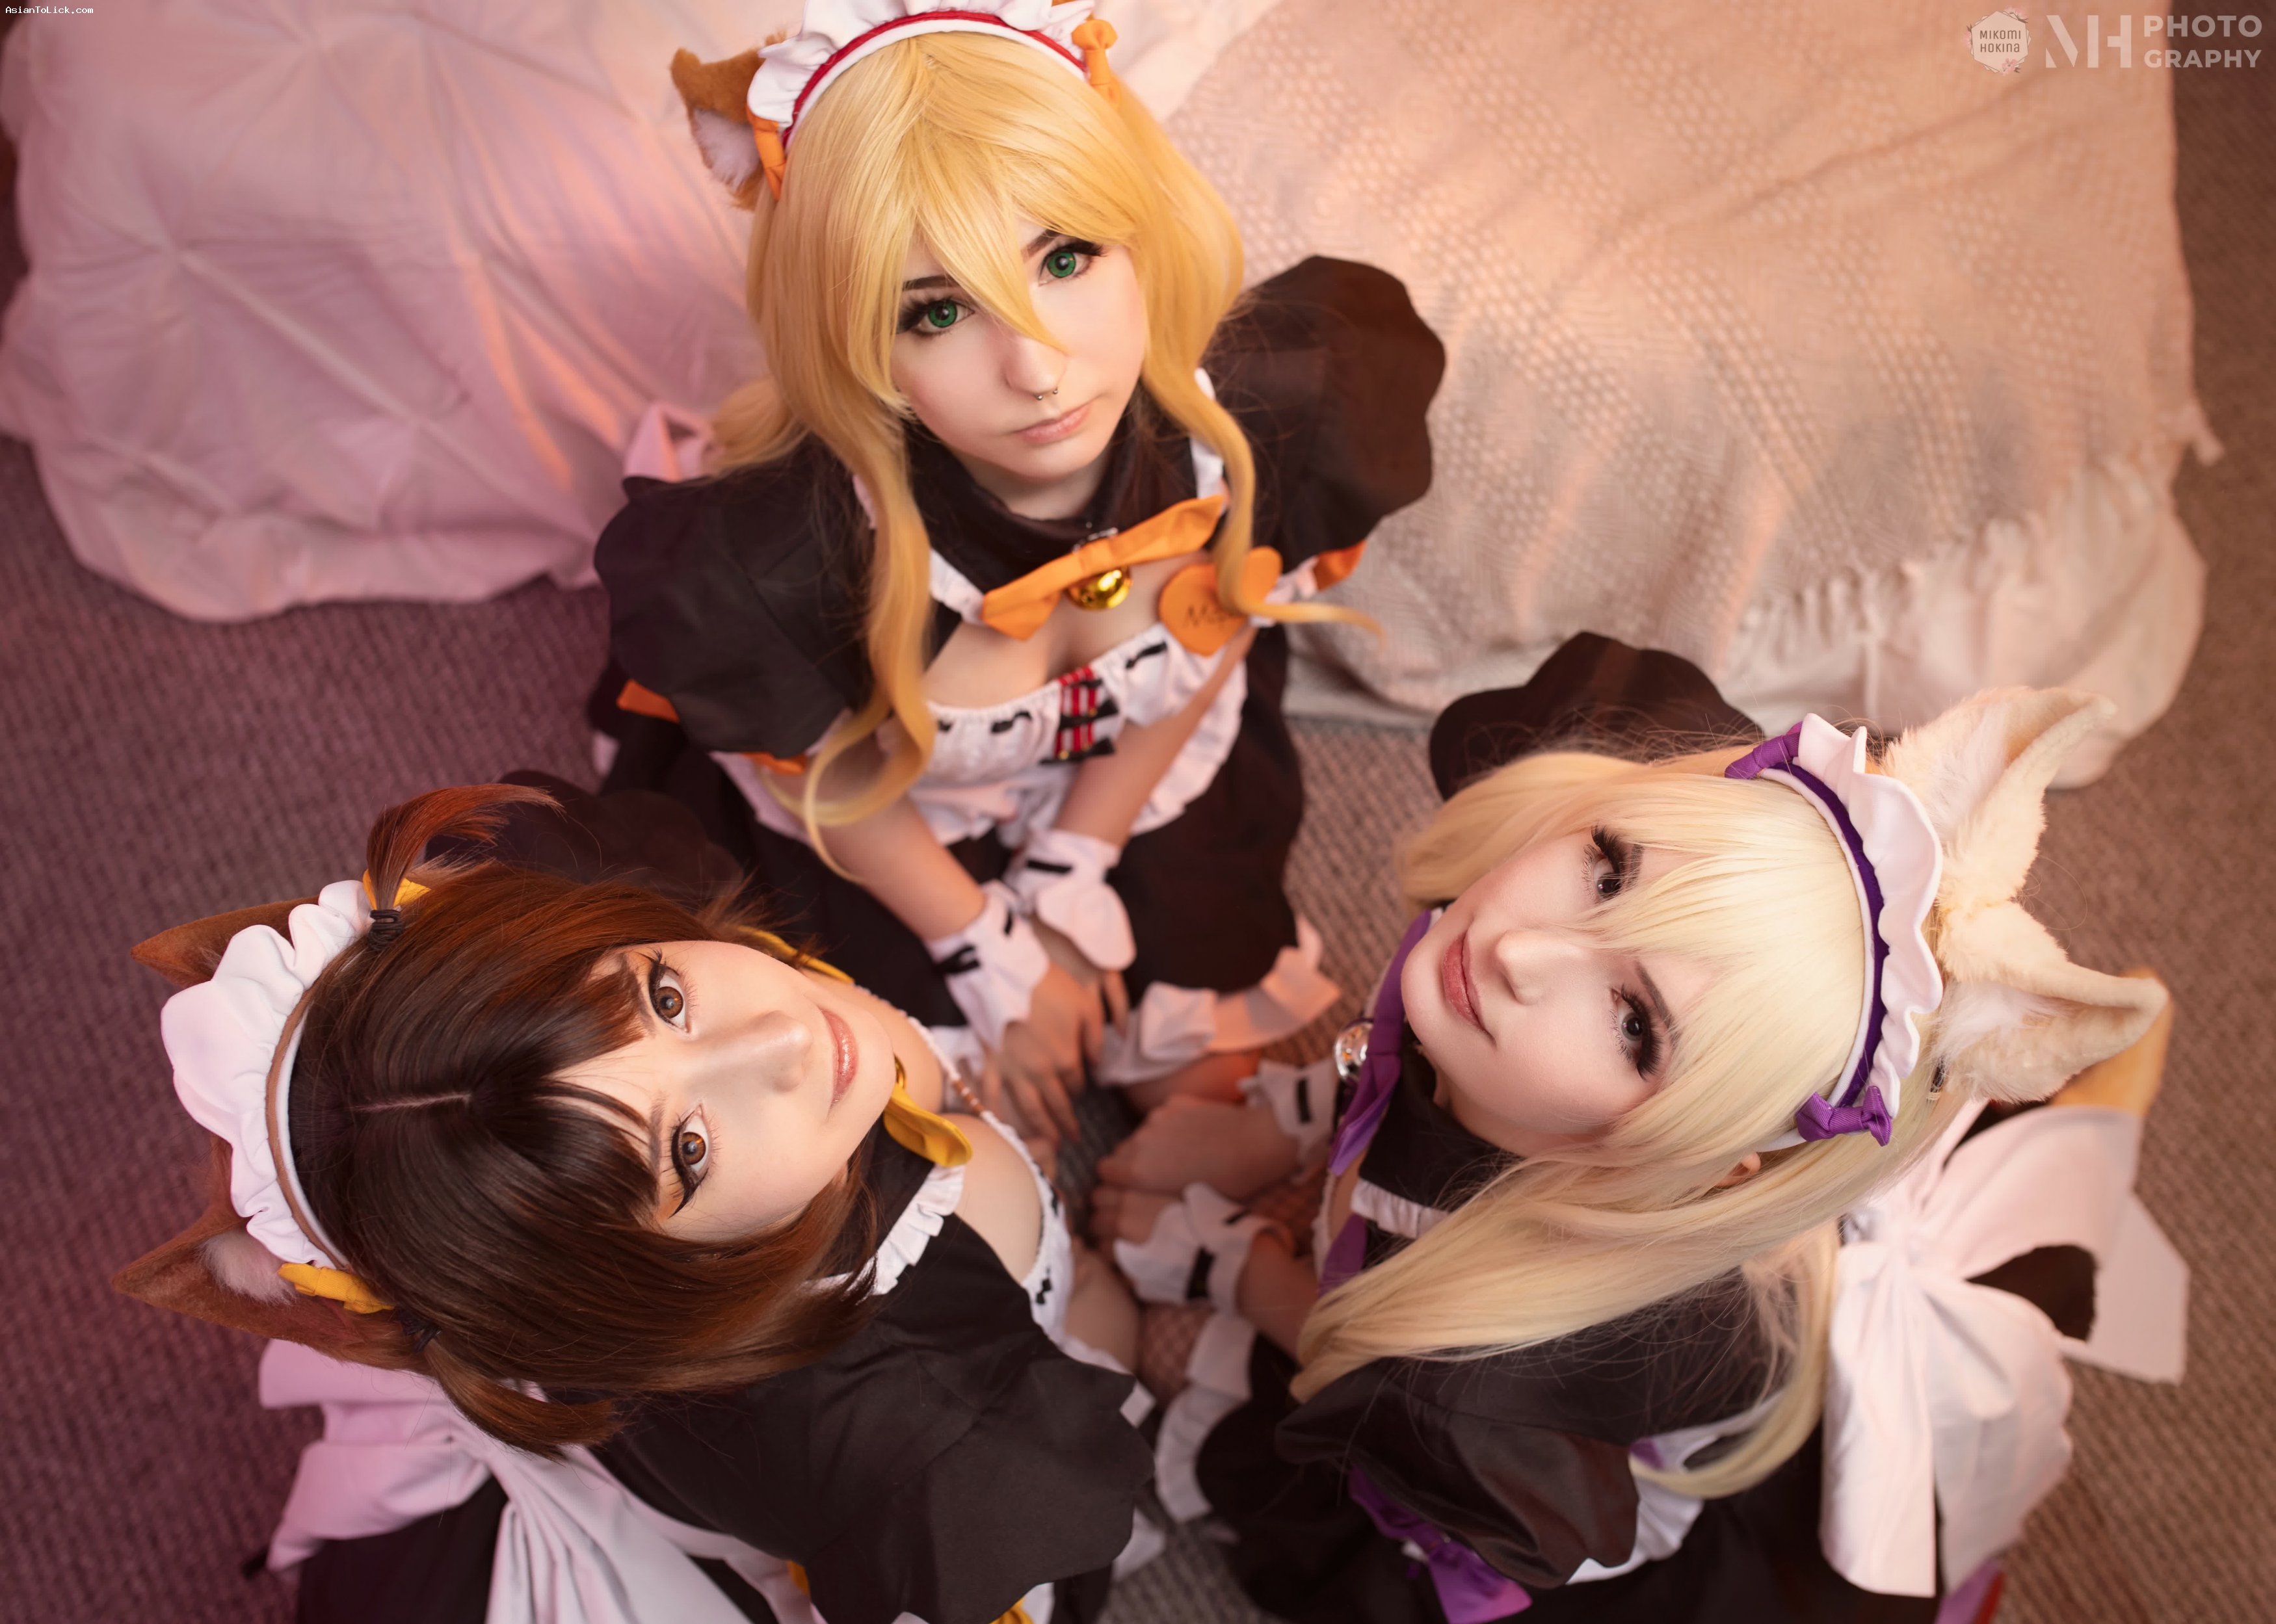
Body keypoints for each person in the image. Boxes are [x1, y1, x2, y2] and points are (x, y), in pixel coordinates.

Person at [1090, 635, 2177, 1622]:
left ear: (1707, 1161)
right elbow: (1401, 1064)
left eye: (1633, 1024)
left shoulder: (1494, 1392)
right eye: (1609, 868)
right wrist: (1282, 1125)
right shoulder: (1499, 989)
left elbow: (1365, 1342)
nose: (1523, 950)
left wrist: (1238, 1266)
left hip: (1691, 1423)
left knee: (1204, 1390)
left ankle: (2102, 1114)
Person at [590, 0, 1444, 1141]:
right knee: (931, 1125)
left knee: (1200, 1090)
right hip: (898, 819)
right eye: (938, 312)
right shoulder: (787, 558)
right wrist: (984, 943)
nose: (1037, 368)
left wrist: (1074, 866)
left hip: (1133, 764)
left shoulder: (1260, 420)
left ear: (1140, 228)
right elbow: (823, 772)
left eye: (1066, 258)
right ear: (855, 342)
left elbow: (1215, 632)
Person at [116, 778, 1154, 1624]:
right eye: (688, 1148)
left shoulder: (596, 899)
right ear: (640, 1287)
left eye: (663, 998)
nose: (784, 1037)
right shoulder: (900, 1424)